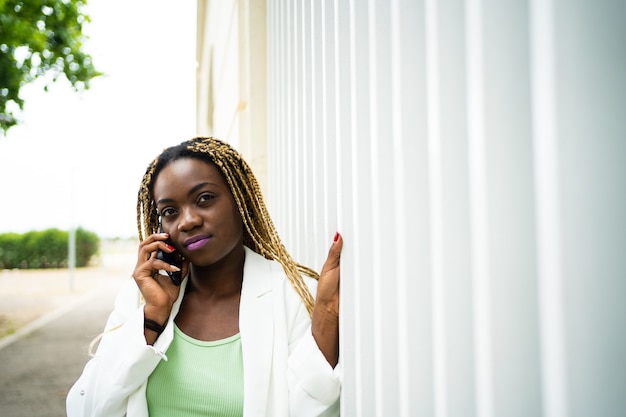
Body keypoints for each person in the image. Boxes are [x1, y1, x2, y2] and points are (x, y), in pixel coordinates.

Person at [66, 137, 343, 417]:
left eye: (205, 199)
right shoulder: (139, 299)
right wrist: (152, 319)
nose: (187, 221)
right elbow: (86, 409)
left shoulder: (292, 295)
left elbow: (309, 408)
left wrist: (328, 314)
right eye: (170, 211)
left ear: (240, 200)